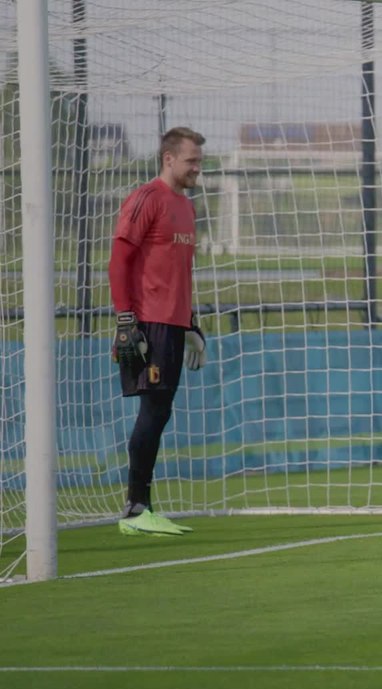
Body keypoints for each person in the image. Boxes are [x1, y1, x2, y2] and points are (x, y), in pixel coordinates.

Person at [108, 127, 208, 537]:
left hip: (172, 324)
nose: (197, 168)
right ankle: (135, 508)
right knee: (152, 411)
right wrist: (126, 319)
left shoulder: (187, 207)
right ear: (169, 159)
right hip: (147, 323)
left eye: (200, 161)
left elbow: (180, 274)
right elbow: (119, 260)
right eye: (192, 161)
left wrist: (191, 325)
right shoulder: (146, 198)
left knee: (160, 412)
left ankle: (141, 506)